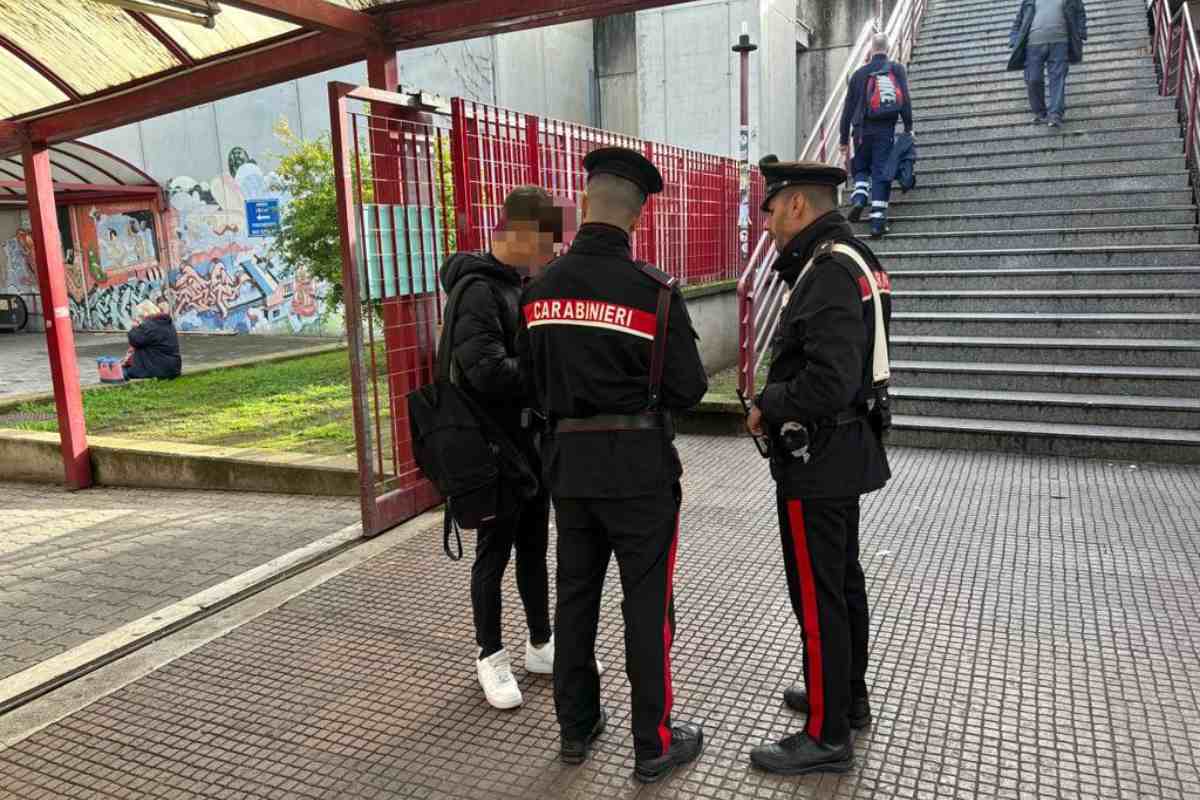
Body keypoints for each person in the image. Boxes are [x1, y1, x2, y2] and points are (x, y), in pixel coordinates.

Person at [518, 148, 709, 784]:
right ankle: (653, 743)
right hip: (640, 475)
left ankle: (576, 729)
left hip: (568, 471)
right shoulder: (654, 294)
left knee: (576, 599)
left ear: (586, 204)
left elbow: (529, 382)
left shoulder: (538, 290)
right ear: (637, 216)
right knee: (646, 607)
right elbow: (687, 389)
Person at [745, 157, 892, 776]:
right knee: (841, 581)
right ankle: (845, 696)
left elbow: (827, 380)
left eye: (772, 209)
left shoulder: (828, 271)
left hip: (819, 456)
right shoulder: (851, 260)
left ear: (798, 205)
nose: (770, 224)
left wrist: (765, 405)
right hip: (842, 450)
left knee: (818, 593)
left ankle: (827, 734)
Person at [440, 185, 565, 710]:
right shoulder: (477, 290)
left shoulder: (516, 285)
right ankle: (489, 655)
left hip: (526, 444)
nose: (553, 251)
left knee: (534, 548)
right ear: (517, 233)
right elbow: (486, 371)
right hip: (493, 452)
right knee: (493, 557)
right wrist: (548, 372)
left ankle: (541, 643)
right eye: (548, 240)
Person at [838, 33, 913, 239]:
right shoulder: (896, 70)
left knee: (860, 166)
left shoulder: (859, 74)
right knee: (881, 172)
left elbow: (847, 110)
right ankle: (877, 222)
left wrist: (843, 139)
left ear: (871, 49)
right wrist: (908, 127)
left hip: (860, 132)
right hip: (884, 132)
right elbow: (905, 100)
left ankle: (860, 196)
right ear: (887, 49)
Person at [1009, 0, 1088, 128]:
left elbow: (1080, 14)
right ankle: (1040, 113)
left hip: (1060, 43)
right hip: (1033, 45)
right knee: (1033, 79)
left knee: (1057, 78)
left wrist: (1081, 32)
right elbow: (1019, 19)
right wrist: (1014, 38)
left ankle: (1055, 114)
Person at [122, 300, 181, 380]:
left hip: (157, 370)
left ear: (144, 314)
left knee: (121, 372)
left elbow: (135, 340)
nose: (137, 318)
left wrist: (134, 328)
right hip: (173, 368)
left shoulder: (149, 325)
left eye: (139, 316)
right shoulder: (167, 323)